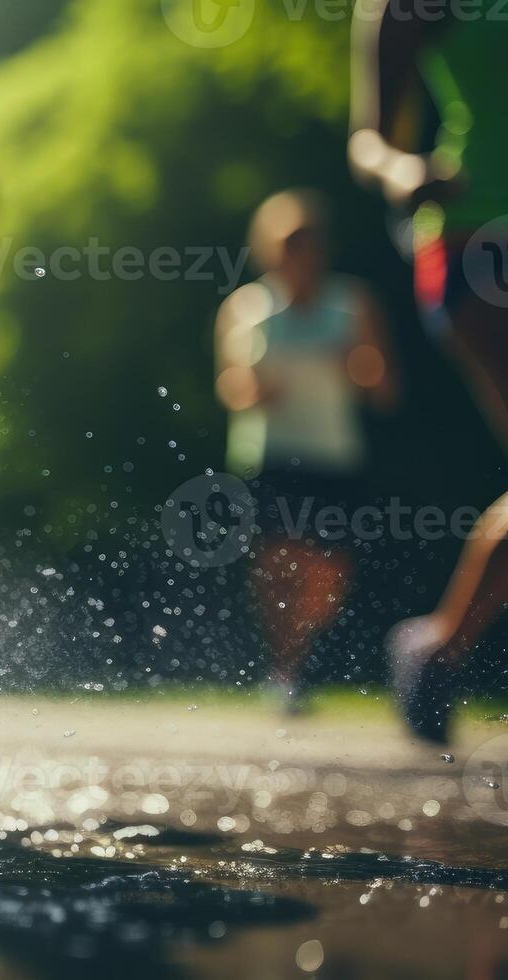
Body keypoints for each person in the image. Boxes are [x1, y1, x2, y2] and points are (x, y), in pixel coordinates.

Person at [351, 2, 508, 743]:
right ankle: (440, 649)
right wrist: (404, 168)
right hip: (478, 243)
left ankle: (439, 648)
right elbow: (370, 140)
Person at [214, 190, 398, 715]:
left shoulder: (353, 303)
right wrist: (255, 390)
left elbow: (384, 389)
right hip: (270, 452)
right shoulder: (247, 308)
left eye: (310, 241)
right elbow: (230, 388)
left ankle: (302, 651)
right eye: (291, 243)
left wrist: (356, 364)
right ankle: (286, 671)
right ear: (270, 248)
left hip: (334, 453)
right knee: (278, 564)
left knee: (328, 570)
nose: (303, 253)